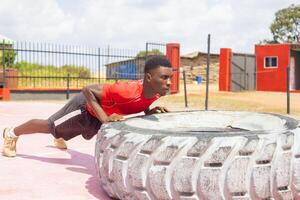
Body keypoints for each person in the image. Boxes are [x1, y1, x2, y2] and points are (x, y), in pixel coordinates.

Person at [2, 55, 173, 157]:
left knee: (87, 133)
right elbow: (87, 90)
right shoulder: (126, 90)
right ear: (149, 78)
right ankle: (11, 133)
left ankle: (60, 135)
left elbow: (140, 101)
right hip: (84, 106)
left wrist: (149, 111)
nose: (169, 82)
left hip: (98, 113)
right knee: (50, 126)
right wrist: (105, 118)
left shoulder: (157, 92)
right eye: (164, 77)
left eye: (170, 78)